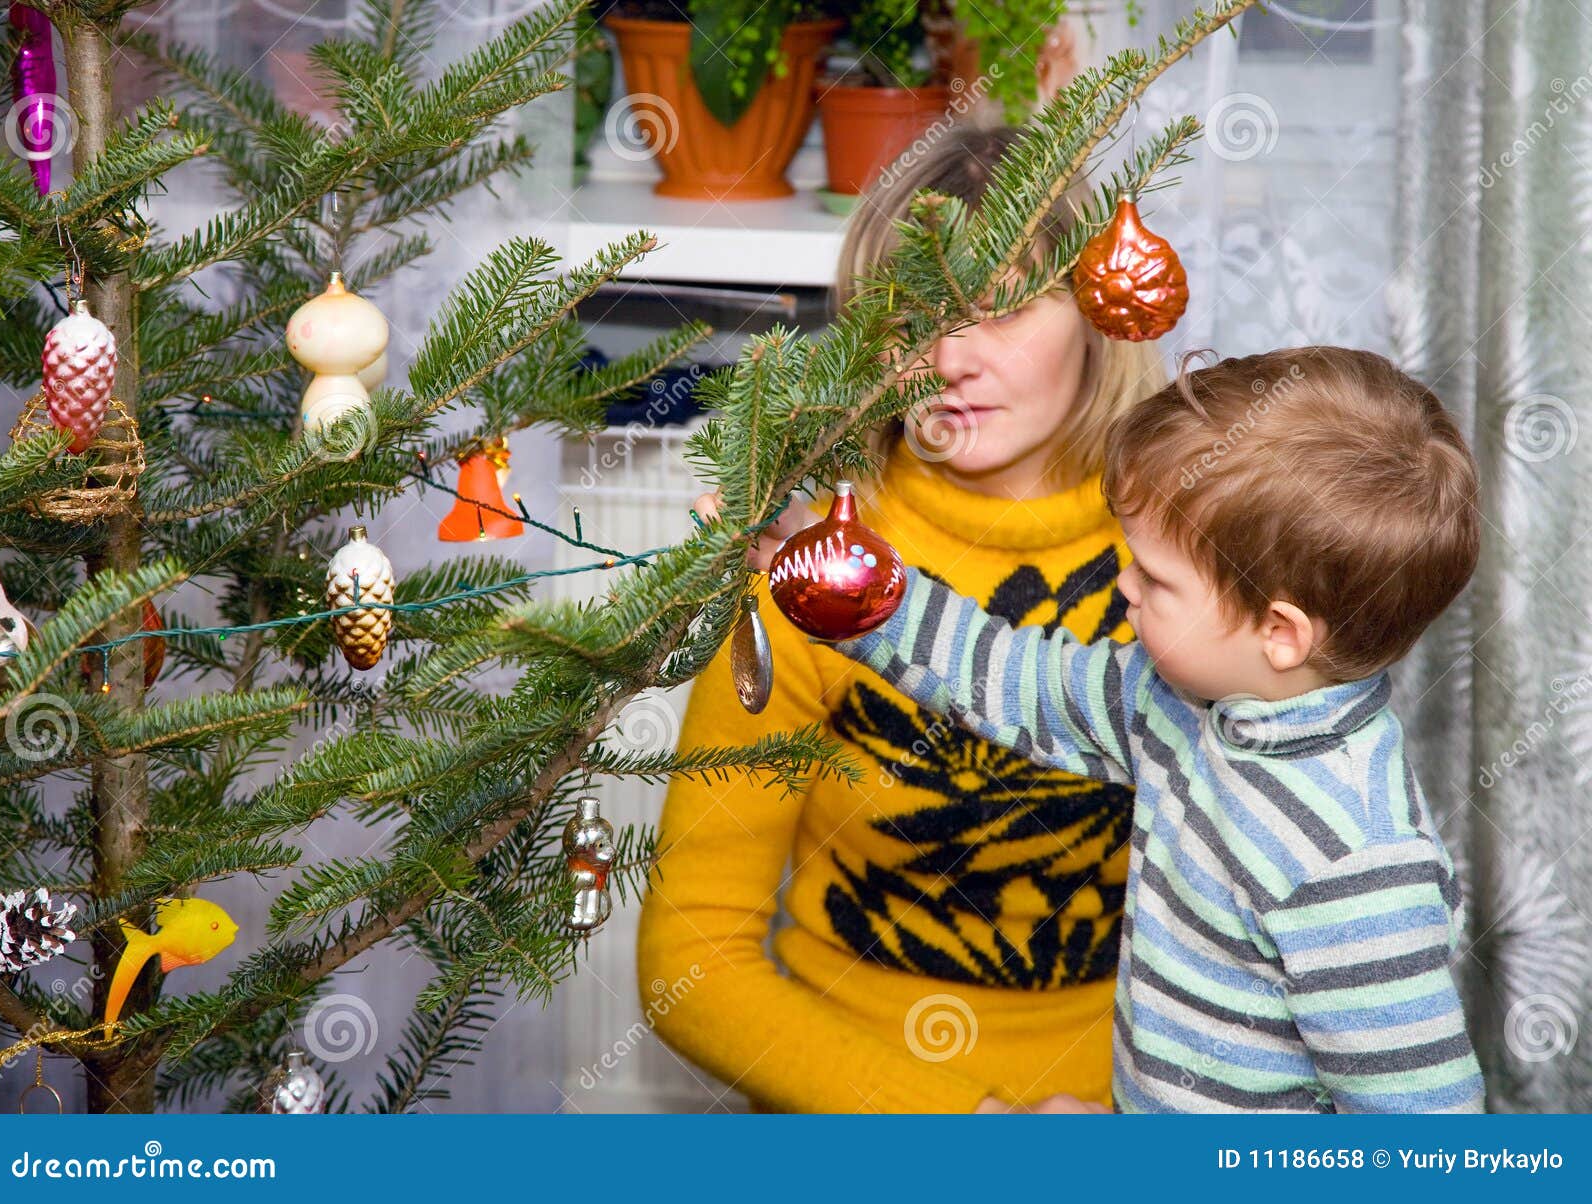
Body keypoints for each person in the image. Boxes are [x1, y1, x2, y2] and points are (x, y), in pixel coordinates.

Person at [636, 125, 1166, 1113]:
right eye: (911, 313)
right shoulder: (812, 574)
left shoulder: (1184, 569)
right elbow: (691, 963)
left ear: (1097, 311)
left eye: (1002, 304)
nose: (951, 358)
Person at [830, 347, 1487, 1112]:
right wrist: (865, 596)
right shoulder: (1182, 701)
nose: (1123, 586)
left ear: (1280, 632)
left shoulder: (1354, 865)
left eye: (1155, 577)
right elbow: (1021, 686)